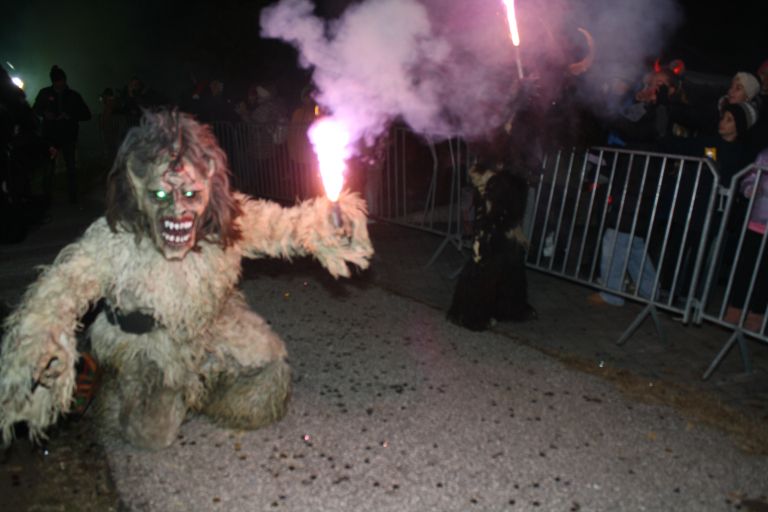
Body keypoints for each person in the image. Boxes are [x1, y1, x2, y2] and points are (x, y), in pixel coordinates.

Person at [32, 65, 91, 205]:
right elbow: (35, 109)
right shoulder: (45, 93)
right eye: (57, 82)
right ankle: (46, 197)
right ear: (53, 81)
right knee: (49, 168)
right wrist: (45, 113)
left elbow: (86, 115)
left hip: (68, 136)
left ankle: (73, 197)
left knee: (71, 167)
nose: (60, 84)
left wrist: (69, 115)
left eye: (62, 81)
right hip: (50, 137)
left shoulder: (73, 95)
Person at [725, 148, 768, 332]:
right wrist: (750, 188)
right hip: (757, 221)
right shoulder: (765, 155)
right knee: (745, 268)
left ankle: (756, 315)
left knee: (765, 274)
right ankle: (735, 309)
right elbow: (748, 177)